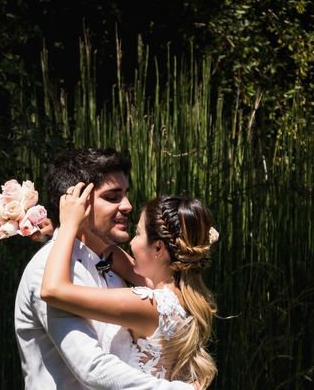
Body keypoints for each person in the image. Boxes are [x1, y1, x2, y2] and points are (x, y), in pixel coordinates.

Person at [14, 148, 195, 389]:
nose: (128, 206)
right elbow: (91, 368)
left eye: (125, 194)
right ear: (78, 204)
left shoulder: (108, 262)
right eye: (113, 197)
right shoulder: (48, 269)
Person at [41, 183, 219, 389]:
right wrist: (64, 225)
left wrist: (68, 227)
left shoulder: (148, 303)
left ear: (158, 248)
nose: (131, 244)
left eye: (137, 234)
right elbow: (116, 257)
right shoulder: (182, 297)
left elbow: (53, 290)